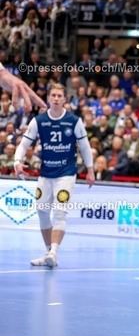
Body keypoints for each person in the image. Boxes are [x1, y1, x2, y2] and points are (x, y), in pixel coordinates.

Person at [14, 83, 95, 268]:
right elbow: (24, 144)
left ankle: (54, 252)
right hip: (46, 173)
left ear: (64, 99)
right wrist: (17, 162)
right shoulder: (39, 121)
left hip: (66, 174)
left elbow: (85, 147)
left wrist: (90, 170)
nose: (56, 98)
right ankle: (49, 252)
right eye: (53, 95)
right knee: (42, 212)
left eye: (60, 96)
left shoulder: (74, 121)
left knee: (60, 211)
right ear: (48, 98)